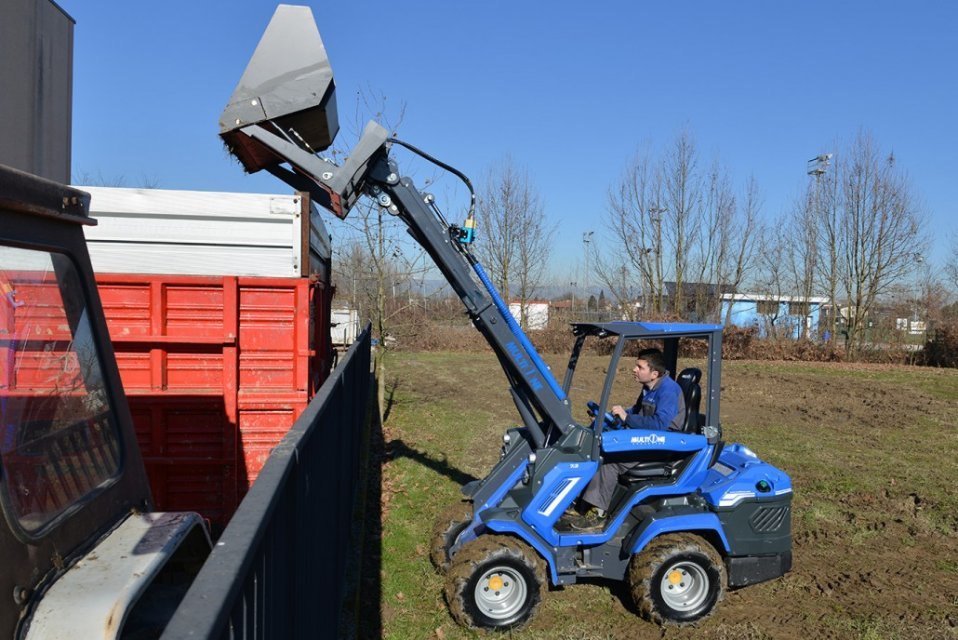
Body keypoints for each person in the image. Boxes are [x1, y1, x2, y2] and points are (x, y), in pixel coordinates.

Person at [568, 348, 685, 531]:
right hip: (648, 439)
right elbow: (637, 411)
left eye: (640, 367)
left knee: (610, 462)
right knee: (596, 449)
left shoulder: (668, 390)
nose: (634, 369)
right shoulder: (650, 387)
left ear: (654, 373)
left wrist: (627, 417)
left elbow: (660, 424)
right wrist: (614, 415)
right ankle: (582, 504)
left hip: (662, 445)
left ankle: (598, 515)